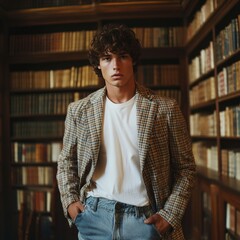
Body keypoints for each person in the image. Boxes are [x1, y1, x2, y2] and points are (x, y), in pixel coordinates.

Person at [56, 23, 196, 240]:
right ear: (98, 65)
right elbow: (66, 163)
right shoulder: (79, 111)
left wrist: (169, 216)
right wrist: (71, 204)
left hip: (146, 220)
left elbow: (186, 168)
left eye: (122, 56)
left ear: (133, 61)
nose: (115, 66)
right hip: (94, 216)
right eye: (107, 58)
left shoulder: (165, 109)